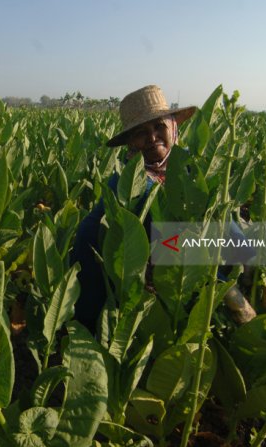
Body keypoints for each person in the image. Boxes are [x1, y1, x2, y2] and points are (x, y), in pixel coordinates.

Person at [71, 85, 256, 334]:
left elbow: (217, 218)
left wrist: (251, 258)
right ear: (130, 143)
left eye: (159, 126)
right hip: (116, 296)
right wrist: (228, 291)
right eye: (140, 132)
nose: (152, 137)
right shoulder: (131, 185)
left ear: (174, 127)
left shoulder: (183, 167)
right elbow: (178, 246)